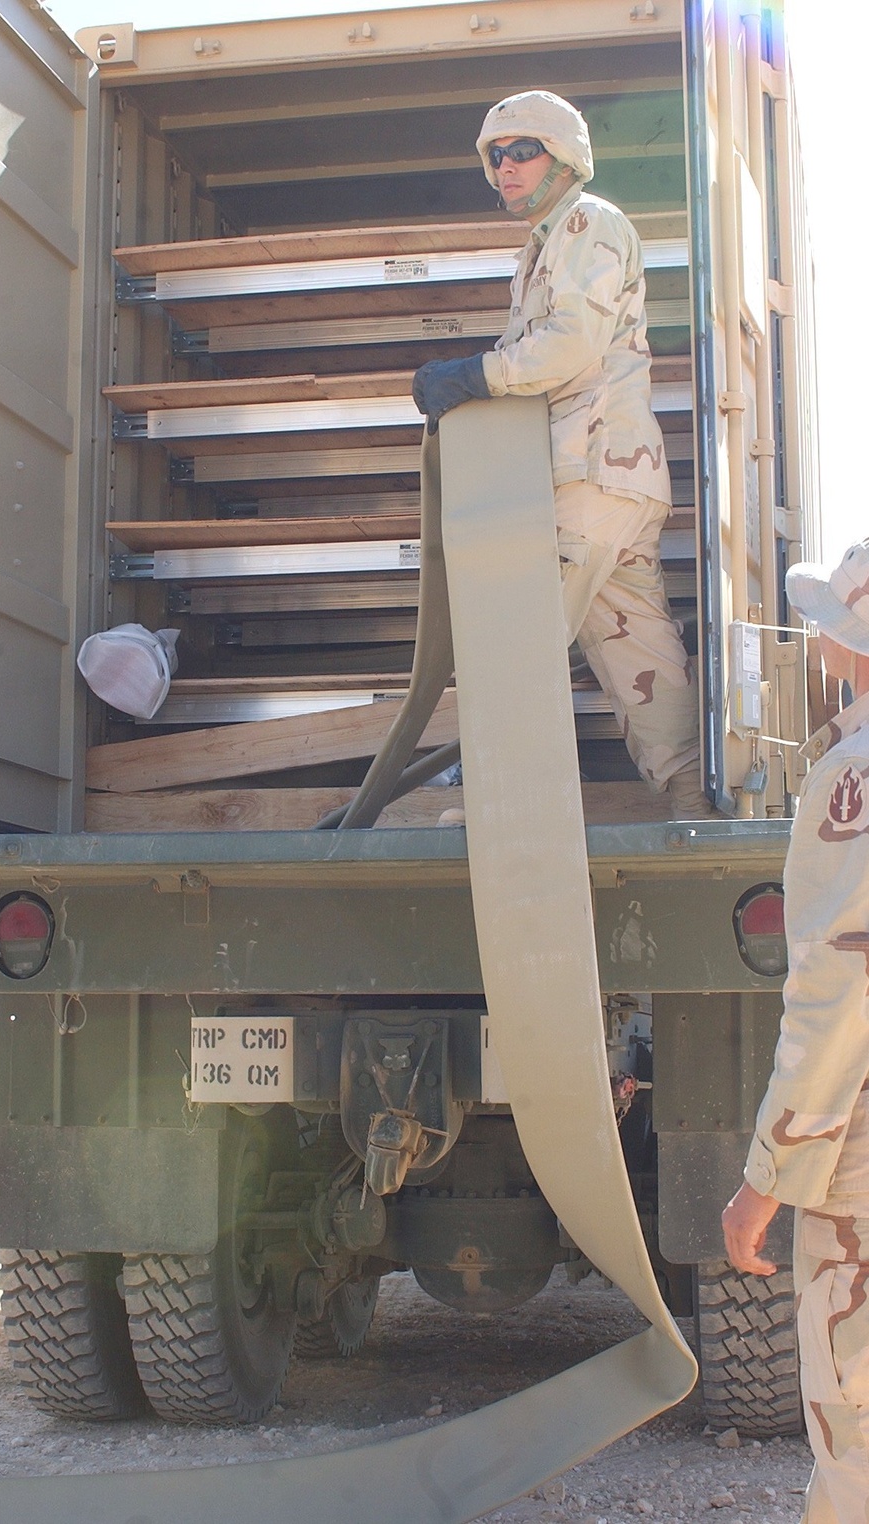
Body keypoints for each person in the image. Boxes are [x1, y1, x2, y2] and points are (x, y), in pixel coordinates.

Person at [411, 90, 710, 820]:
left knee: (514, 633)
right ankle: (694, 801)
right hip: (614, 483)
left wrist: (473, 375)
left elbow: (568, 348)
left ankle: (505, 810)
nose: (505, 168)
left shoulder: (587, 222)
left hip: (591, 474)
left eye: (523, 151)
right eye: (496, 155)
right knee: (638, 651)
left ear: (564, 158)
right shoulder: (547, 243)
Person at [722, 540, 869, 1523]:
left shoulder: (851, 778)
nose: (813, 634)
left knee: (854, 1440)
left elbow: (837, 990)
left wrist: (767, 1175)